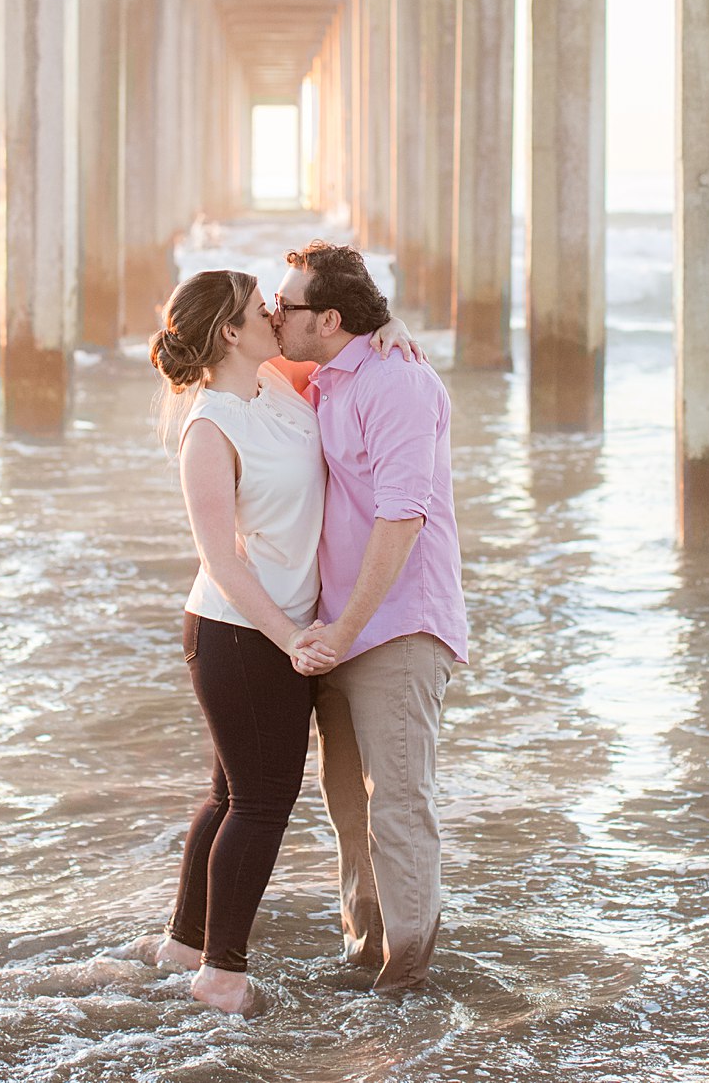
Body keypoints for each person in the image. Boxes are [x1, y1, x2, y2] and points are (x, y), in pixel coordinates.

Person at [142, 267, 418, 1016]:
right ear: (230, 333)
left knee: (229, 792)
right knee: (261, 803)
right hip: (239, 631)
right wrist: (292, 637)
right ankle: (223, 977)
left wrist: (392, 331)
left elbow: (347, 348)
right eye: (256, 306)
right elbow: (221, 560)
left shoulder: (275, 383)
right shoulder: (210, 427)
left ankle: (185, 944)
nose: (274, 310)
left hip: (274, 631)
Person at [274, 241, 467, 993]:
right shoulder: (323, 375)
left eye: (285, 304)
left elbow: (402, 516)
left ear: (327, 318)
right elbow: (234, 361)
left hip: (397, 627)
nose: (272, 312)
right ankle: (366, 961)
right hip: (339, 627)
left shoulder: (399, 384)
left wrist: (344, 632)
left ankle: (407, 982)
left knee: (399, 805)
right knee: (349, 809)